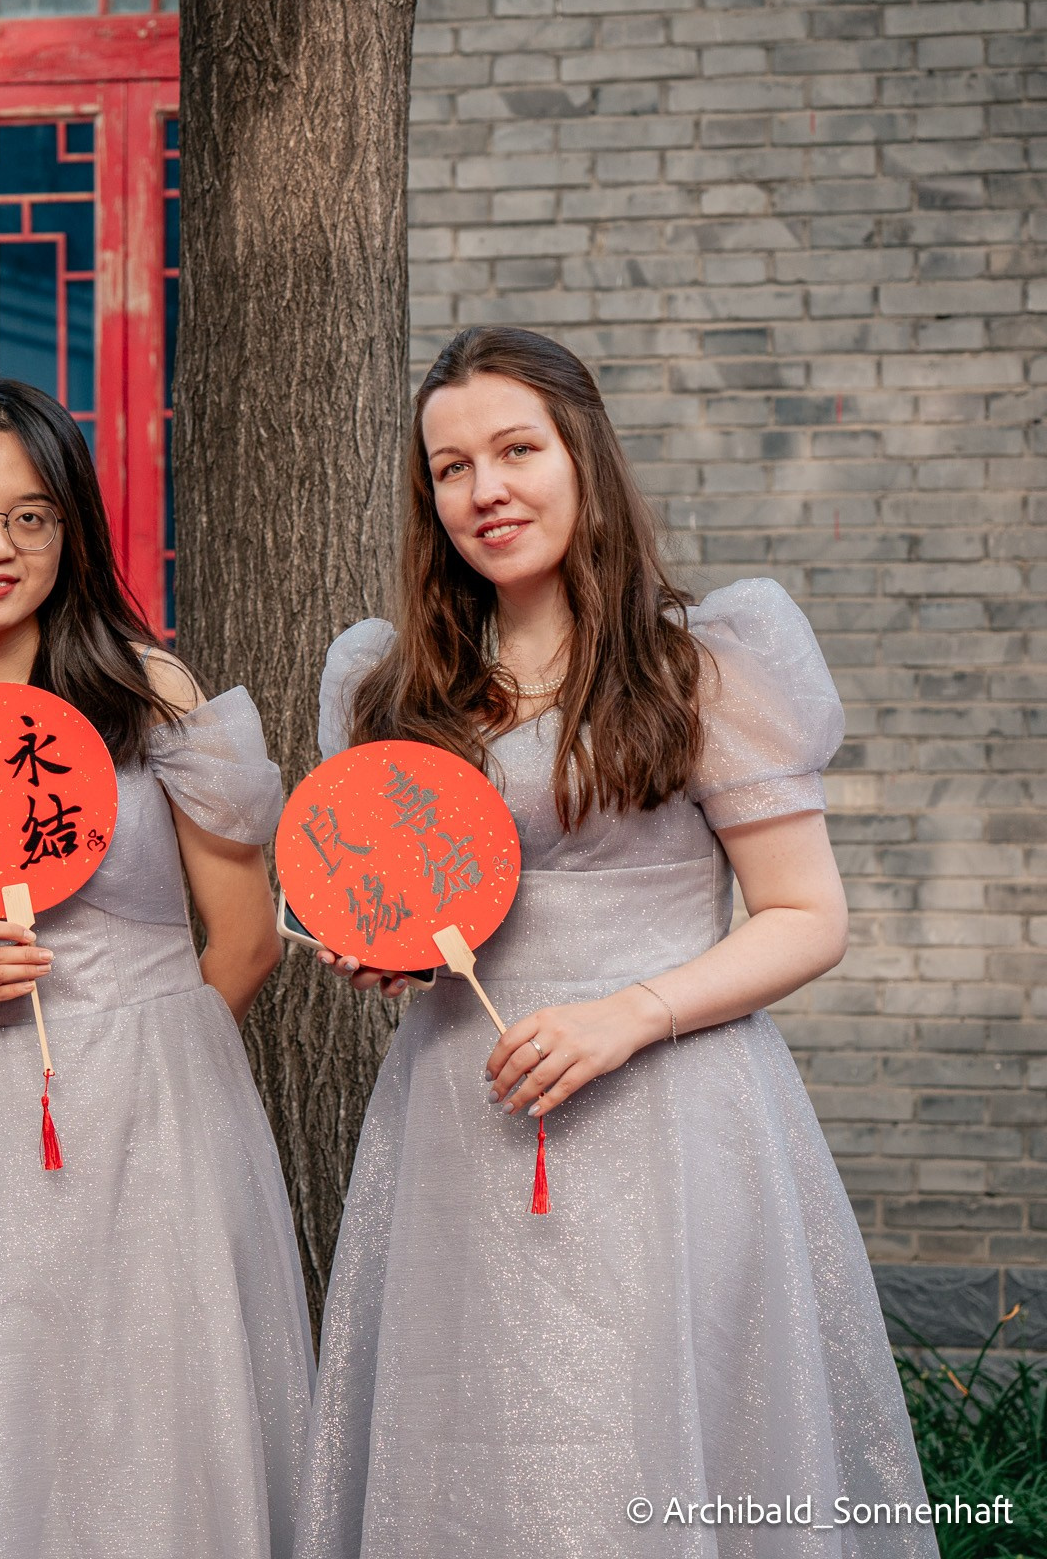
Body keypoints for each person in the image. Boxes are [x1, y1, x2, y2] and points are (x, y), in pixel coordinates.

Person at [296, 326, 933, 1556]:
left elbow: (809, 918)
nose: (485, 489)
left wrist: (627, 1013)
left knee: (643, 1446)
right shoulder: (390, 690)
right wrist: (389, 950)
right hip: (460, 1116)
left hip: (672, 1124)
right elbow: (418, 906)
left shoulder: (700, 668)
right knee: (477, 1448)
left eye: (517, 448)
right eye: (450, 467)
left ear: (584, 457)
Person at [0, 378, 313, 1559]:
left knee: (161, 1413)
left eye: (31, 515)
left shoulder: (150, 699)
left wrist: (149, 1046)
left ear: (71, 532)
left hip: (165, 1110)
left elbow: (246, 938)